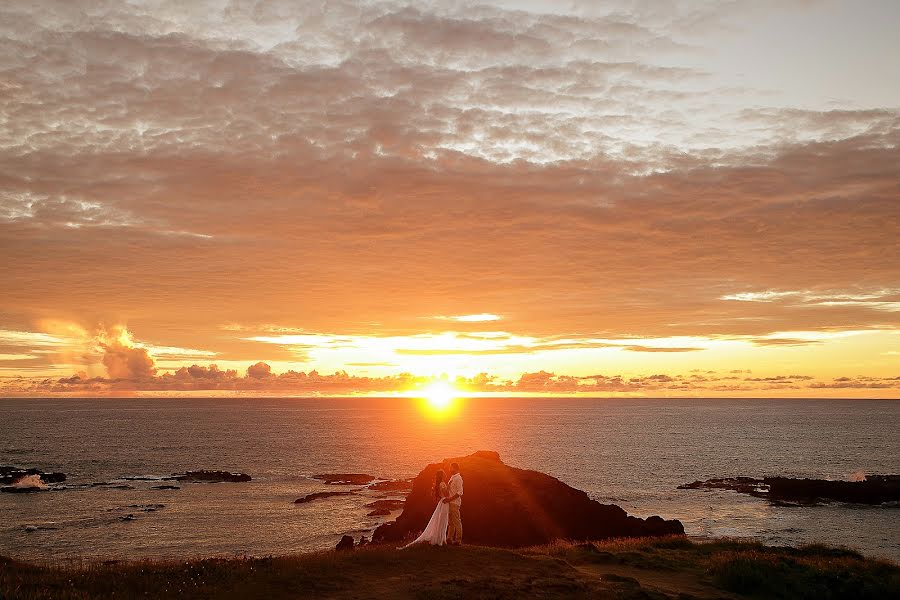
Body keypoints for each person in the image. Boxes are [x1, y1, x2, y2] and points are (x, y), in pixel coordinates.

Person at [401, 469, 449, 547]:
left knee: (440, 521)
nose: (445, 474)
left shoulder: (439, 484)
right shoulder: (443, 484)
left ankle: (440, 538)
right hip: (444, 502)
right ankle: (440, 539)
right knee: (442, 521)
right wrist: (449, 488)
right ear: (442, 475)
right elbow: (446, 494)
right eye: (444, 473)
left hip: (442, 502)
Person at [443, 462, 463, 545]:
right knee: (450, 522)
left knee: (456, 522)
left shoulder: (458, 478)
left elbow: (460, 492)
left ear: (455, 468)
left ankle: (458, 540)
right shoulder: (452, 477)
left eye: (450, 468)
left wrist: (449, 499)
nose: (449, 469)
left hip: (454, 503)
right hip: (450, 502)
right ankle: (449, 539)